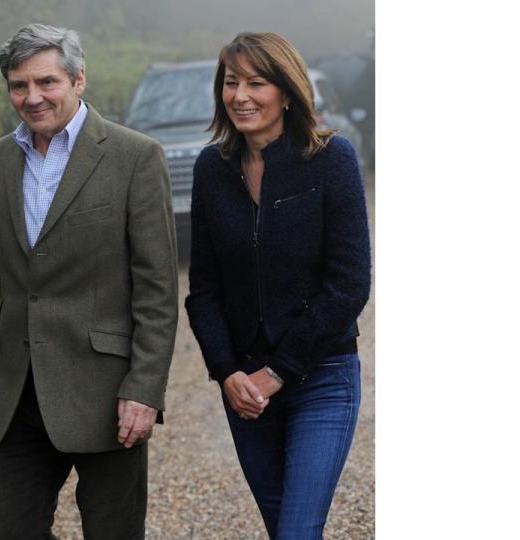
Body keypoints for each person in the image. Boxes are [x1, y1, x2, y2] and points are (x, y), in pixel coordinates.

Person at [0, 23, 178, 540]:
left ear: (78, 80)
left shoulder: (135, 156)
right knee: (10, 530)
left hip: (107, 395)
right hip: (17, 392)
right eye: (18, 85)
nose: (32, 97)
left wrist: (145, 389)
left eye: (46, 82)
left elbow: (156, 289)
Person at [185, 32, 371, 540]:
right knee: (282, 529)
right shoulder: (211, 168)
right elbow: (202, 289)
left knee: (297, 530)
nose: (240, 95)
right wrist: (226, 373)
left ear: (286, 91)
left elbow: (350, 283)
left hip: (322, 376)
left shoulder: (332, 159)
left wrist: (278, 372)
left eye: (256, 82)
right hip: (244, 390)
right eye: (231, 82)